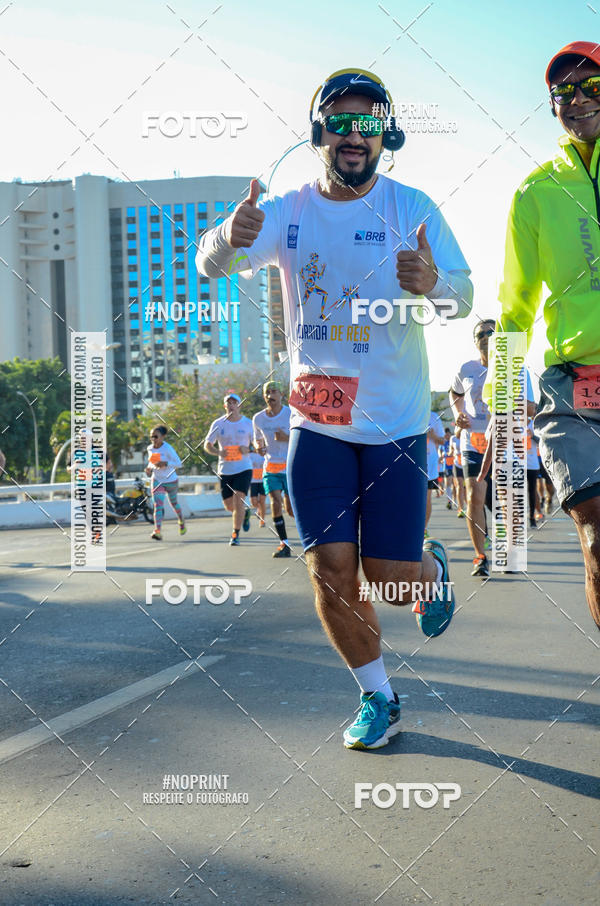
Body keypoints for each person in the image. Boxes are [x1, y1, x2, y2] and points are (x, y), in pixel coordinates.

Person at [197, 67, 472, 749]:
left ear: (387, 134)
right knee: (330, 572)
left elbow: (460, 298)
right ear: (320, 131)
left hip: (396, 425)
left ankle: (430, 570)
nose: (355, 136)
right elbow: (210, 265)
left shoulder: (412, 207)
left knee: (394, 583)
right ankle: (379, 697)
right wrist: (230, 236)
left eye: (369, 124)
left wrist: (434, 284)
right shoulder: (286, 210)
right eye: (342, 123)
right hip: (316, 426)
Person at [491, 40, 600, 628]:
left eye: (593, 87)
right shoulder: (534, 192)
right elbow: (515, 306)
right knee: (598, 530)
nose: (579, 100)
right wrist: (503, 396)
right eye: (565, 93)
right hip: (572, 387)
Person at [450, 321, 494, 577]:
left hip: (503, 441)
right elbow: (454, 393)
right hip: (473, 441)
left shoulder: (512, 368)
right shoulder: (466, 368)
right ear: (475, 340)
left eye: (492, 332)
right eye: (481, 334)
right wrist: (458, 413)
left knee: (501, 502)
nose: (486, 337)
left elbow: (529, 405)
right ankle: (480, 557)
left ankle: (507, 548)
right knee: (472, 497)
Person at [252, 381, 295, 558]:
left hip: (290, 466)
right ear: (264, 396)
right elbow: (256, 439)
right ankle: (283, 544)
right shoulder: (258, 418)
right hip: (271, 467)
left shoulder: (291, 413)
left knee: (291, 509)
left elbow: (302, 436)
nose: (271, 395)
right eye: (267, 392)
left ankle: (313, 535)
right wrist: (258, 447)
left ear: (281, 395)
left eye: (274, 392)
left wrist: (287, 437)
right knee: (275, 502)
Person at [204, 392, 253, 546]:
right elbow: (207, 445)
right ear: (225, 406)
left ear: (239, 405)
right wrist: (218, 452)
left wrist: (249, 448)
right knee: (229, 506)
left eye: (234, 403)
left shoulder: (248, 423)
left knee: (239, 500)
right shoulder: (218, 424)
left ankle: (235, 534)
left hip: (244, 468)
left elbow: (258, 443)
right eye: (229, 403)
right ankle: (244, 514)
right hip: (225, 470)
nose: (231, 405)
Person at [145, 425, 186, 540]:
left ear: (163, 437)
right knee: (157, 506)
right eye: (151, 437)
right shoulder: (150, 448)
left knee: (174, 503)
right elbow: (151, 462)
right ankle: (157, 531)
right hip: (157, 480)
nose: (153, 439)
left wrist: (166, 463)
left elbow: (179, 463)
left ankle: (181, 520)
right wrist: (149, 468)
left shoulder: (168, 449)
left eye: (156, 436)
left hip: (171, 480)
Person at [425, 410, 445, 536]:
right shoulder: (408, 409)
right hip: (410, 461)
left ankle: (423, 529)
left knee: (426, 499)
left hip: (429, 464)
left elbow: (442, 440)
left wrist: (432, 436)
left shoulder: (433, 416)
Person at [249, 447, 267, 528]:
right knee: (254, 502)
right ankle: (259, 509)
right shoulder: (249, 455)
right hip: (253, 481)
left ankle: (262, 520)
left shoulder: (265, 454)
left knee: (262, 501)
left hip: (263, 480)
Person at [451, 431, 467, 517]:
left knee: (466, 488)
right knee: (459, 486)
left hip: (467, 464)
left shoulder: (467, 434)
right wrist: (450, 453)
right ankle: (461, 509)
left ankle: (469, 507)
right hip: (457, 464)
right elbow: (451, 450)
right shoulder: (453, 438)